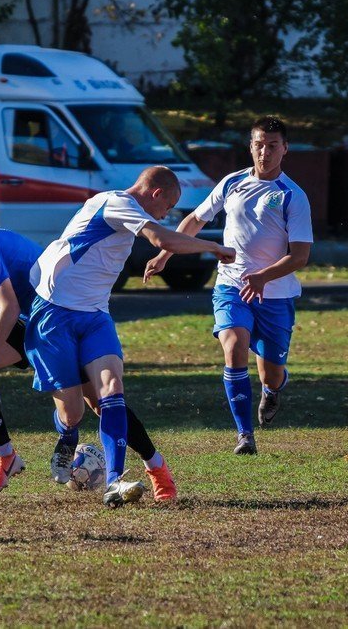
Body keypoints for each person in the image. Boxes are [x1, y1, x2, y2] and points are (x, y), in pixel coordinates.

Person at [0, 229, 181, 503]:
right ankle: (6, 456)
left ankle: (156, 467)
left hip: (59, 316)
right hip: (31, 319)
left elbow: (9, 307)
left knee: (97, 403)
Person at [26, 166, 236, 507]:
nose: (165, 214)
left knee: (112, 390)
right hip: (54, 314)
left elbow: (162, 239)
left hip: (95, 316)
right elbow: (162, 237)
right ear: (156, 194)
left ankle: (115, 481)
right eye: (168, 207)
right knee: (73, 414)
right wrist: (213, 246)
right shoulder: (115, 203)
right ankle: (67, 435)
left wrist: (164, 257)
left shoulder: (124, 210)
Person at [144, 116, 313, 456]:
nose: (264, 153)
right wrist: (165, 254)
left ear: (285, 149)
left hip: (274, 295)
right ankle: (244, 435)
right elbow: (196, 219)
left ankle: (273, 389)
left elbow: (300, 256)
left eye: (272, 146)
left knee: (271, 374)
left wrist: (263, 277)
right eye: (259, 145)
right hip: (231, 285)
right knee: (234, 346)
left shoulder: (292, 196)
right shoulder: (232, 182)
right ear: (250, 146)